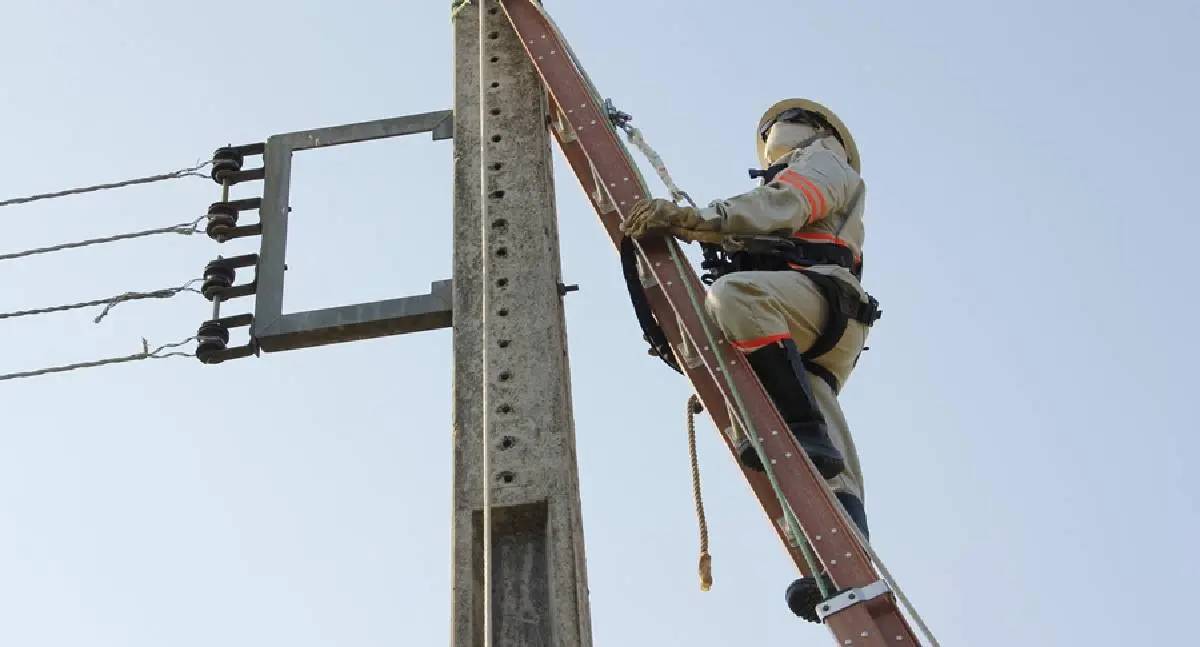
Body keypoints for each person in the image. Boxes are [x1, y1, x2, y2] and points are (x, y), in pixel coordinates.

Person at [620, 99, 880, 623]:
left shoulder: (824, 160)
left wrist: (695, 220)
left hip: (812, 301)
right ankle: (834, 563)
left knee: (737, 299)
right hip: (804, 319)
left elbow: (785, 205)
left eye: (777, 127)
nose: (771, 134)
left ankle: (803, 429)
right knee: (785, 436)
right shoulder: (795, 174)